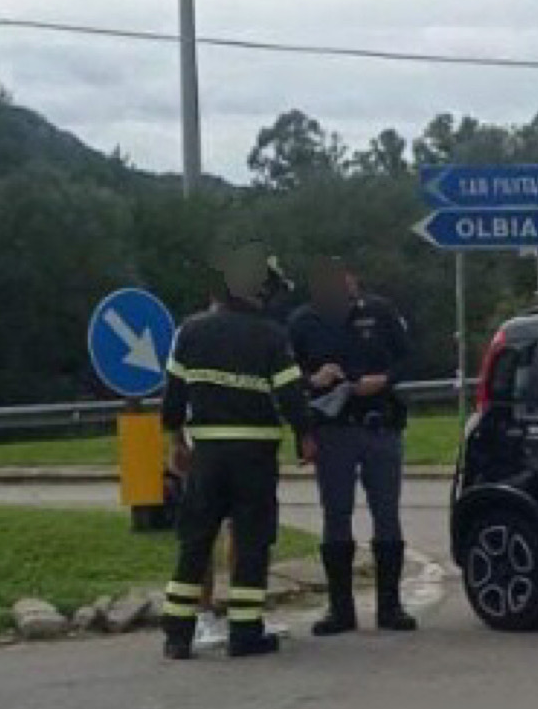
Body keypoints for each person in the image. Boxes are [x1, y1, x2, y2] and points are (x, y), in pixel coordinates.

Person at [160, 242, 311, 660]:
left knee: (195, 541)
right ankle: (245, 633)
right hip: (254, 456)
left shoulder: (190, 331)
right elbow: (291, 395)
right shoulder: (271, 335)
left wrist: (176, 443)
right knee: (250, 542)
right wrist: (305, 434)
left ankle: (177, 634)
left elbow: (172, 397)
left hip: (206, 453)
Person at [289, 257, 417, 635]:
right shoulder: (302, 322)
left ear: (352, 280)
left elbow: (409, 358)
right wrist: (315, 379)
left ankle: (390, 608)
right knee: (336, 515)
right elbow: (285, 374)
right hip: (332, 429)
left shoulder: (379, 312)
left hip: (380, 424)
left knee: (386, 513)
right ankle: (340, 610)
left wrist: (385, 379)